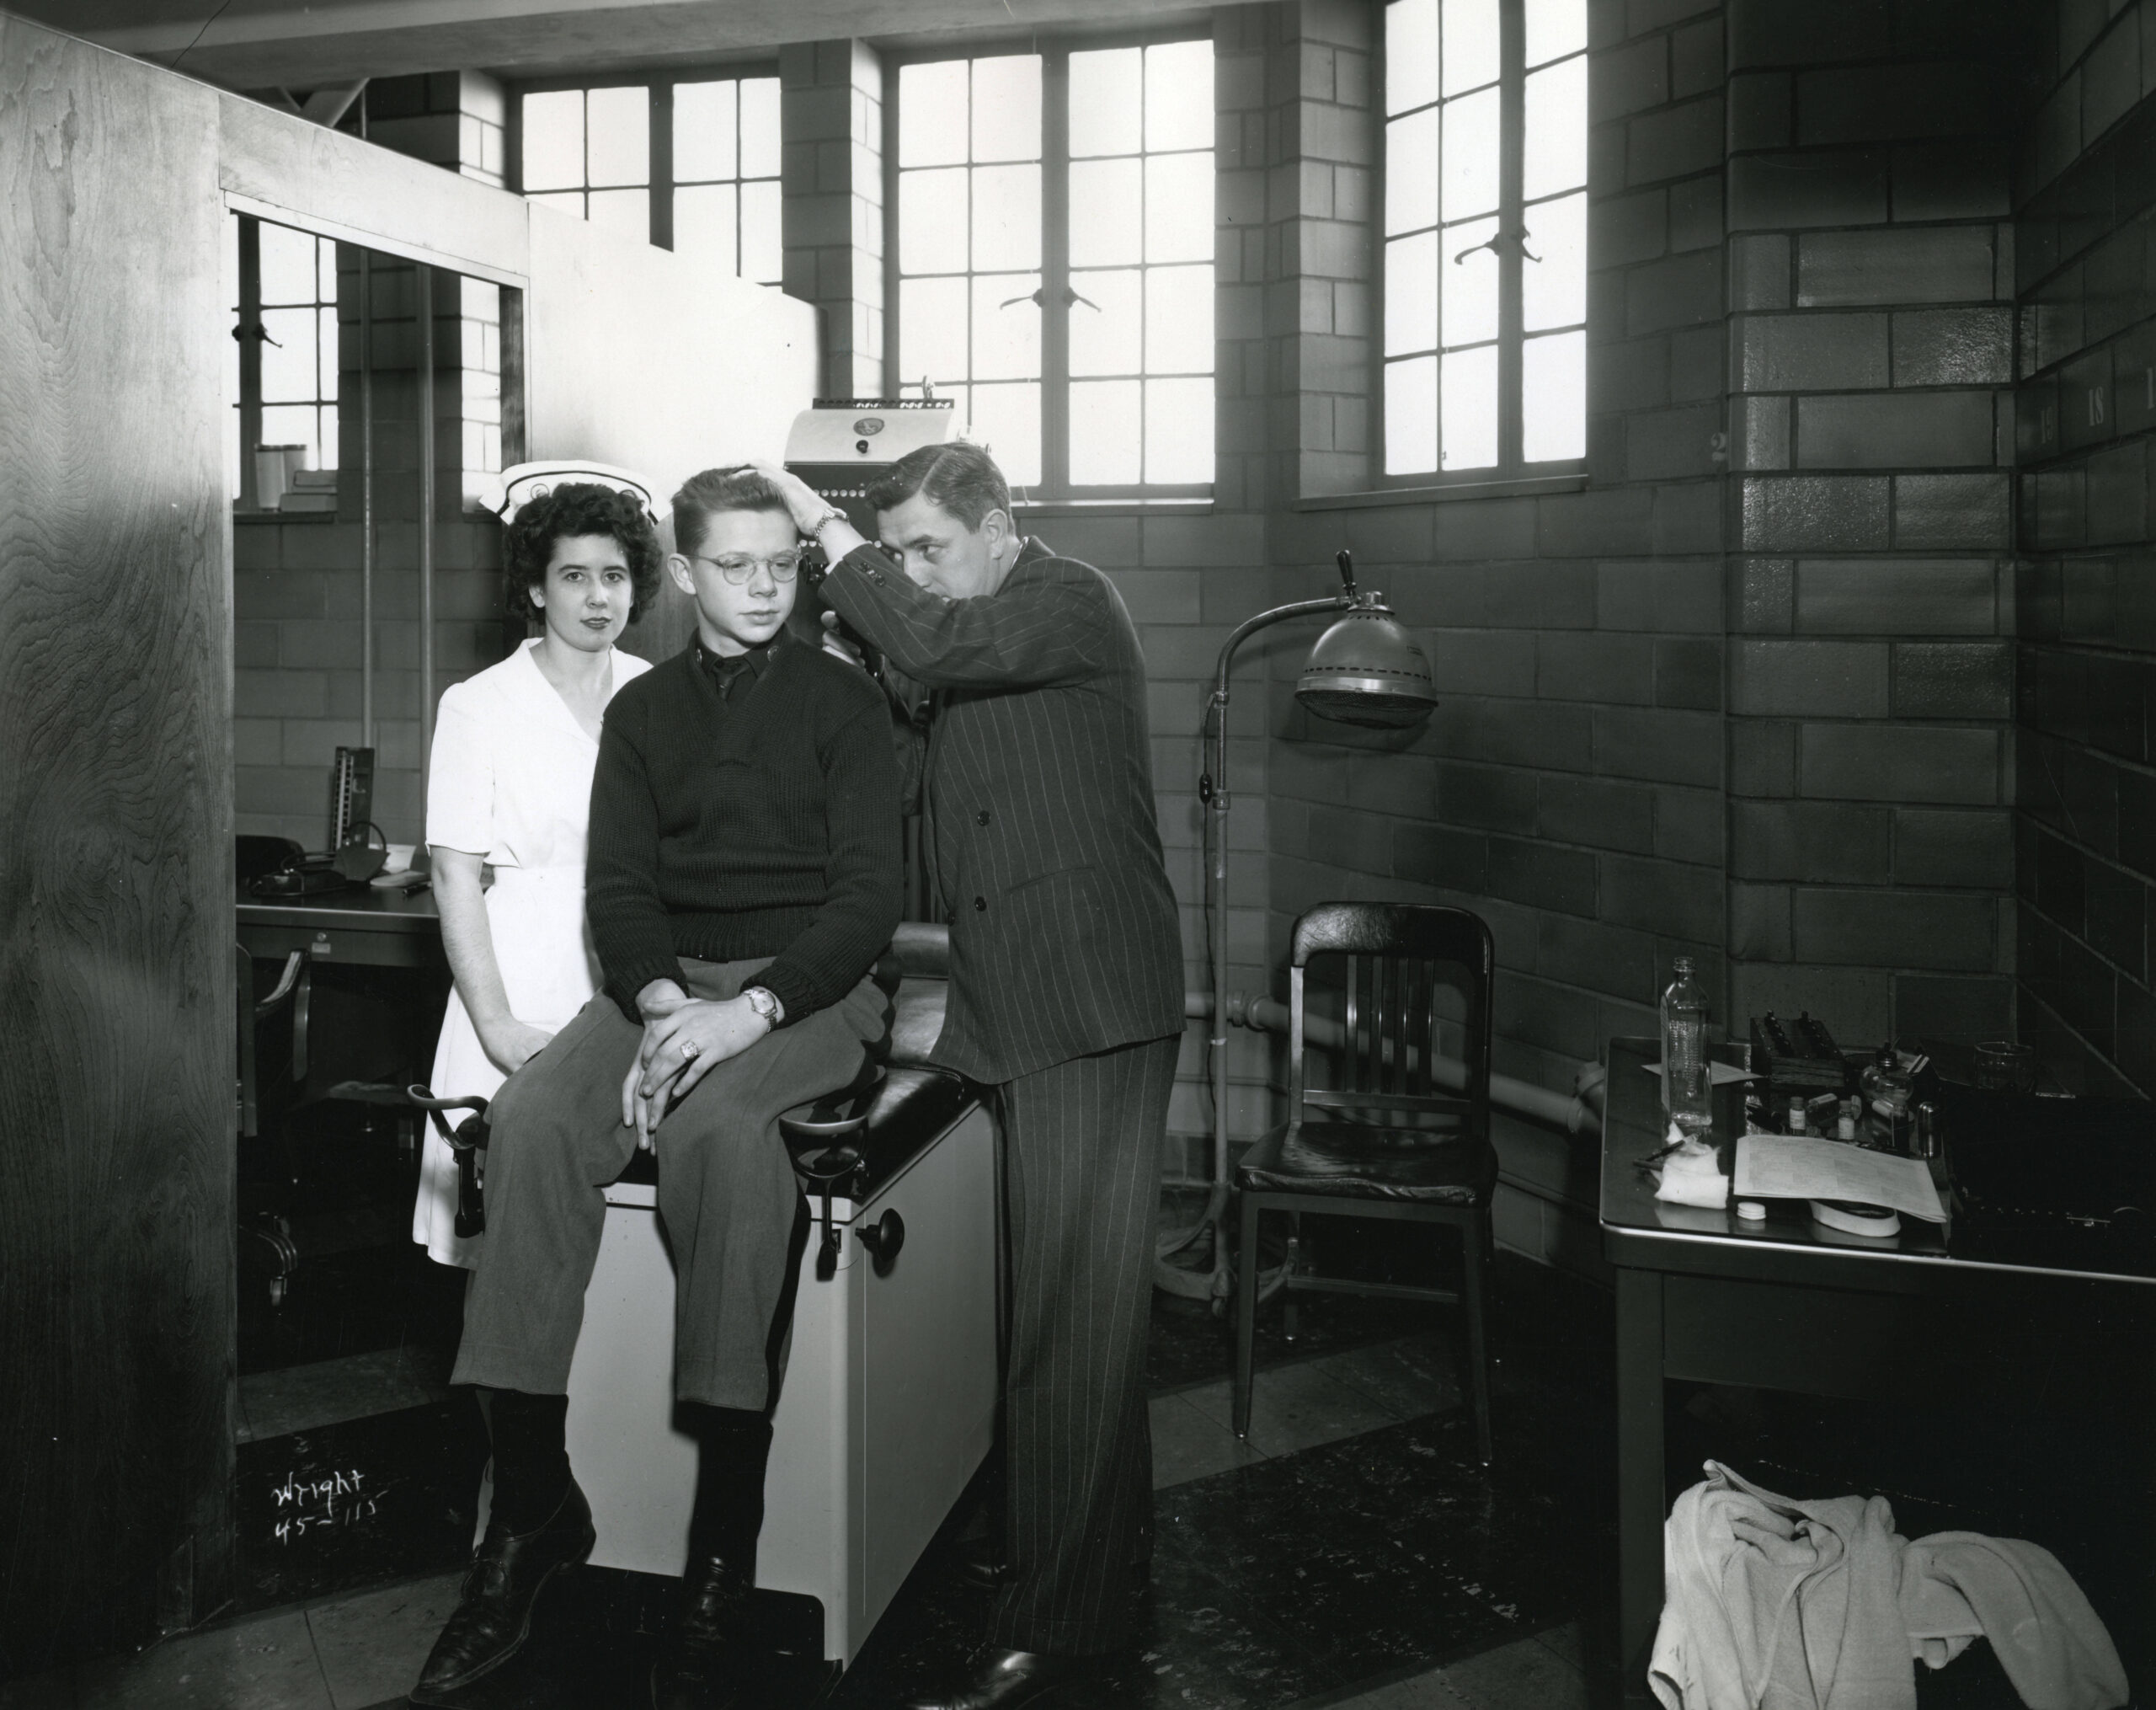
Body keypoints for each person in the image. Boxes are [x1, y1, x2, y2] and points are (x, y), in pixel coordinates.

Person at [410, 467, 905, 1710]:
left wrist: (751, 1011)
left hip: (807, 988)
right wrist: (666, 1000)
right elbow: (619, 891)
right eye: (732, 566)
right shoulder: (645, 716)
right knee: (523, 1126)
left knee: (728, 1140)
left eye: (781, 566)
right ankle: (532, 1515)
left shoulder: (847, 706)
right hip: (664, 987)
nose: (759, 588)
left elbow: (865, 904)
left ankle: (719, 1558)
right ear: (681, 574)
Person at [753, 445, 1186, 1710]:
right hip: (1011, 1010)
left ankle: (1065, 1625)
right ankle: (1097, 1554)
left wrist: (831, 546)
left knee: (1068, 1317)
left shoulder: (1066, 599)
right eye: (897, 557)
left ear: (999, 529)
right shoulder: (966, 638)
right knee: (1074, 1308)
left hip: (1089, 1006)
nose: (914, 576)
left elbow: (936, 651)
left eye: (928, 548)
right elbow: (903, 776)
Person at [414, 479, 659, 1268]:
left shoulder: (655, 693)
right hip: (519, 979)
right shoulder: (479, 705)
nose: (597, 597)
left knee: (628, 1241)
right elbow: (454, 877)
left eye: (614, 576)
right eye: (574, 576)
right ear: (534, 587)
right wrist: (496, 1026)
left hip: (632, 970)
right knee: (514, 1249)